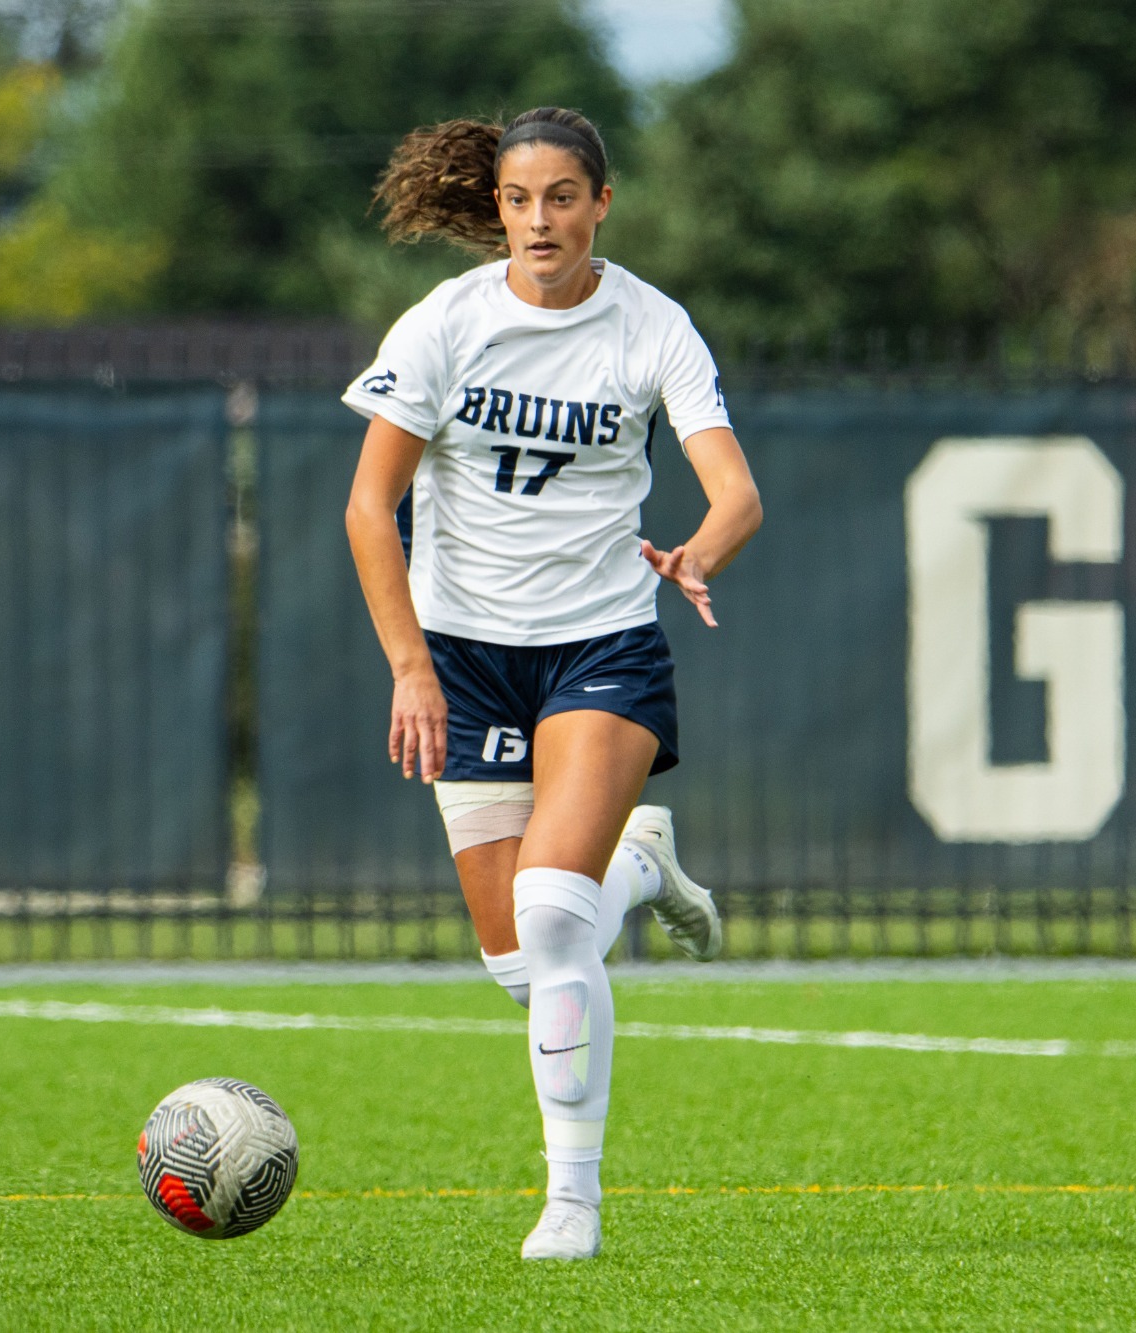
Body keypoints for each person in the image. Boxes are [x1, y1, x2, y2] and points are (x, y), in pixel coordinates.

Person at [341, 107, 764, 1259]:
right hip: (465, 661)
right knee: (523, 963)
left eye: (563, 197)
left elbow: (734, 491)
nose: (540, 219)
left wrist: (700, 550)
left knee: (549, 912)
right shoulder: (444, 323)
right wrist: (411, 669)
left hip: (600, 646)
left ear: (600, 205)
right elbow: (365, 507)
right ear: (497, 210)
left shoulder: (650, 324)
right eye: (520, 200)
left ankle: (569, 1200)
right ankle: (642, 865)